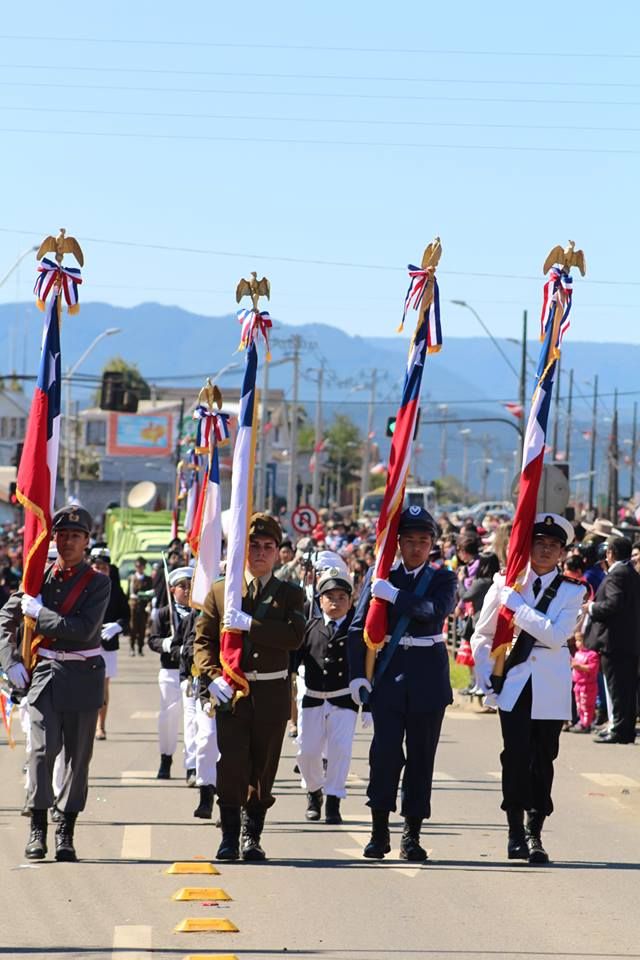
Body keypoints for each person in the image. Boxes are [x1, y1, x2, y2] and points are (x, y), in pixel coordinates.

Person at [471, 513, 585, 864]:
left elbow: (553, 635)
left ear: (563, 552)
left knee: (543, 759)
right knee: (515, 757)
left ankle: (536, 830)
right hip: (515, 684)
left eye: (554, 545)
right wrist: (485, 678)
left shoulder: (571, 591)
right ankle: (515, 831)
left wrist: (516, 606)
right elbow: (483, 635)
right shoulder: (505, 584)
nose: (546, 550)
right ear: (528, 546)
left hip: (550, 685)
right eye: (540, 543)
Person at [0, 505, 111, 862]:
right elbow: (6, 618)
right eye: (61, 535)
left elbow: (82, 630)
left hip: (82, 676)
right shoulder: (38, 579)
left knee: (78, 759)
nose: (66, 542)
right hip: (44, 677)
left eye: (74, 536)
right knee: (41, 753)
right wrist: (9, 661)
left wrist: (38, 614)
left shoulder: (98, 583)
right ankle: (38, 826)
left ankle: (66, 829)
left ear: (87, 542)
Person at [193, 512, 305, 862]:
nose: (260, 553)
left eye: (267, 547)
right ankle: (228, 836)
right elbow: (203, 641)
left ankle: (251, 835)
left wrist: (251, 625)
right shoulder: (221, 592)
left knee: (264, 765)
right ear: (243, 550)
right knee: (232, 765)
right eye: (253, 546)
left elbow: (294, 637)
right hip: (233, 692)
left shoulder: (291, 594)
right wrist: (211, 677)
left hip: (272, 692)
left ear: (277, 552)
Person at [348, 506, 457, 862]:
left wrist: (394, 596)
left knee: (421, 758)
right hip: (389, 677)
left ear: (432, 545)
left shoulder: (443, 578)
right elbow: (357, 627)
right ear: (397, 543)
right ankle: (379, 831)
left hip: (428, 677)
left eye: (423, 541)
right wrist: (358, 676)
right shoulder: (381, 576)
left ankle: (412, 834)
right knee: (384, 757)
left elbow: (433, 612)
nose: (415, 548)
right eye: (409, 540)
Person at [295, 567, 359, 825]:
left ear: (350, 600)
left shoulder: (357, 630)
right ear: (319, 600)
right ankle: (313, 792)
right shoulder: (308, 627)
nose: (336, 601)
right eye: (329, 596)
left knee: (340, 751)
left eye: (342, 596)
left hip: (344, 699)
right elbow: (292, 660)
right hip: (312, 697)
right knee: (307, 752)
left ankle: (333, 799)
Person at [584, 535, 640, 744]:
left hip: (614, 640)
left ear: (610, 553)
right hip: (628, 640)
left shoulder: (617, 574)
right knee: (625, 689)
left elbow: (613, 603)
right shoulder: (631, 573)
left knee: (616, 688)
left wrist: (591, 608)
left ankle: (618, 728)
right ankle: (624, 729)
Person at [148, 566, 198, 780]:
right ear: (171, 589)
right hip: (169, 670)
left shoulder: (200, 613)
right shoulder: (163, 613)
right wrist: (166, 644)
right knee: (168, 717)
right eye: (181, 586)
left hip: (191, 672)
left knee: (192, 719)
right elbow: (152, 640)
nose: (186, 590)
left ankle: (192, 765)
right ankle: (166, 758)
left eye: (190, 586)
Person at [90, 549, 130, 740]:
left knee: (102, 685)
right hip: (83, 643)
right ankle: (85, 724)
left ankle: (100, 725)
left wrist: (118, 626)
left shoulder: (115, 588)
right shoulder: (81, 586)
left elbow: (126, 616)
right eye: (97, 567)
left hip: (107, 645)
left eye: (104, 567)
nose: (100, 570)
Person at [569, 636, 600, 733]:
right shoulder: (578, 653)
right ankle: (582, 721)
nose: (578, 643)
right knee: (579, 705)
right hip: (578, 684)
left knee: (586, 706)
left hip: (588, 685)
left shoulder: (592, 655)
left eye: (581, 640)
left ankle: (586, 724)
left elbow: (593, 668)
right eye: (577, 640)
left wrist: (579, 666)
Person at [127, 557, 153, 656]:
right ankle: (132, 647)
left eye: (141, 566)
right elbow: (128, 593)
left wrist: (149, 604)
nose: (139, 568)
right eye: (138, 566)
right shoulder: (132, 578)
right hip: (133, 605)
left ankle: (140, 648)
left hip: (143, 605)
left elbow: (151, 592)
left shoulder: (148, 579)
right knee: (133, 627)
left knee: (142, 627)